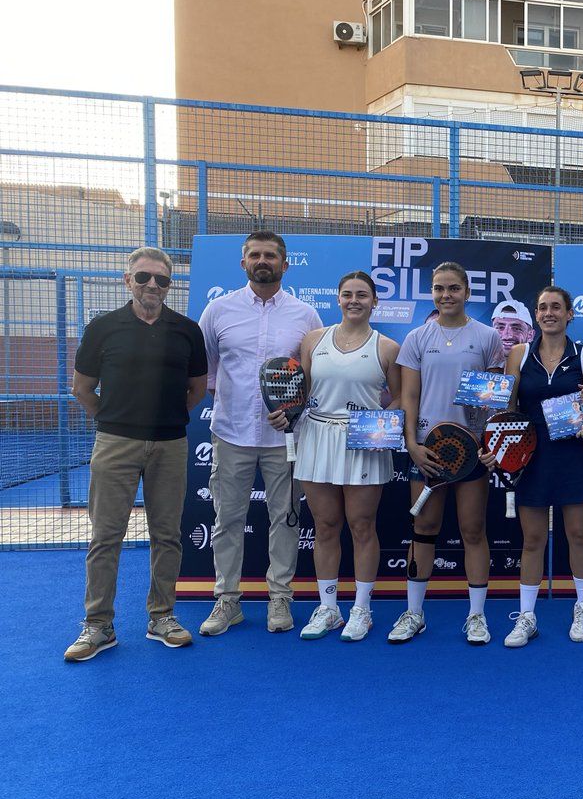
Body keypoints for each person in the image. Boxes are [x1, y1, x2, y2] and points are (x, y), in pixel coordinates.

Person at [64, 247, 207, 661]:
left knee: (167, 535)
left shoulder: (187, 330)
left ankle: (162, 616)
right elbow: (82, 389)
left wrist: (163, 421)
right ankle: (98, 625)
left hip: (170, 444)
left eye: (161, 280)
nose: (152, 286)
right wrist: (115, 422)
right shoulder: (103, 328)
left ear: (169, 285)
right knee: (106, 536)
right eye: (143, 277)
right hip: (114, 444)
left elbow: (197, 389)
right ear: (127, 280)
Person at [197, 231, 322, 636]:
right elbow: (209, 374)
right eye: (255, 254)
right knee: (227, 519)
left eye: (271, 255)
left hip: (285, 440)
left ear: (286, 264)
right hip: (231, 434)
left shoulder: (305, 316)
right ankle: (226, 602)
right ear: (243, 263)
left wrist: (290, 413)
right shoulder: (217, 311)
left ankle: (280, 599)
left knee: (285, 520)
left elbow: (311, 377)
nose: (262, 260)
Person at [392, 261, 505, 645]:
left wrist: (488, 444)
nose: (446, 295)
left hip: (472, 452)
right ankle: (414, 613)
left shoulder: (488, 337)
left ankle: (476, 616)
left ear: (467, 291)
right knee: (423, 529)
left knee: (473, 530)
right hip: (427, 451)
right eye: (439, 288)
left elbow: (493, 403)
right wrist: (412, 445)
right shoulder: (417, 338)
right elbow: (408, 397)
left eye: (453, 288)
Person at [290, 271, 403, 642]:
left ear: (374, 302)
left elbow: (401, 400)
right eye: (347, 294)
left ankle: (362, 610)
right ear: (337, 299)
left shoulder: (387, 348)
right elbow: (301, 393)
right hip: (316, 436)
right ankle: (329, 609)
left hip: (364, 441)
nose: (354, 300)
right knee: (324, 526)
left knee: (361, 525)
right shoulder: (312, 340)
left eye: (362, 295)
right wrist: (284, 411)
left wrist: (379, 431)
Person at [501, 285, 583, 647]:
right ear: (536, 315)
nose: (548, 313)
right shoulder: (518, 353)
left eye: (556, 307)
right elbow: (509, 409)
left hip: (573, 453)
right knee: (534, 539)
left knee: (577, 535)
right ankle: (527, 616)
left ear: (569, 313)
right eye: (542, 307)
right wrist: (495, 446)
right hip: (531, 455)